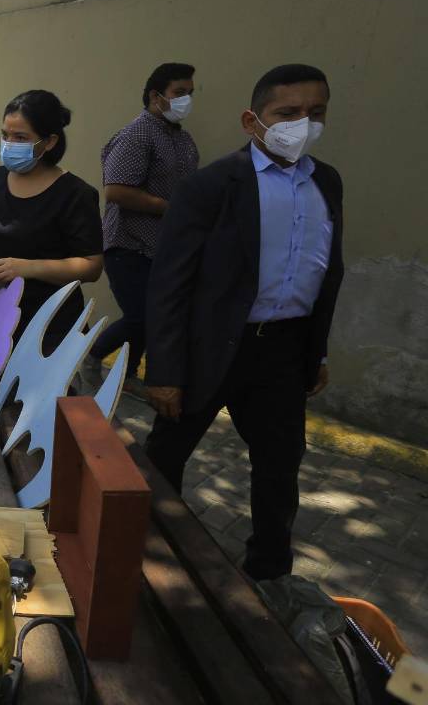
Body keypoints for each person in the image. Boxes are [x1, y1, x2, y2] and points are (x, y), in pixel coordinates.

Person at [143, 64, 343, 582]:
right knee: (163, 460)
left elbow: (325, 268)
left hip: (282, 352)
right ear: (253, 120)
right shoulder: (212, 186)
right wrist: (164, 369)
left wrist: (315, 351)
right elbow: (170, 283)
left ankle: (269, 572)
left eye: (315, 113)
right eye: (288, 113)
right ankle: (147, 558)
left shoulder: (326, 183)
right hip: (208, 348)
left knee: (279, 468)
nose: (303, 124)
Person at [82, 63, 199, 397]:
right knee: (143, 314)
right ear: (155, 96)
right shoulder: (139, 133)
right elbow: (116, 190)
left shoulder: (182, 139)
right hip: (128, 245)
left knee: (155, 315)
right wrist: (170, 208)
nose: (186, 100)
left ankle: (127, 373)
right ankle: (91, 357)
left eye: (190, 93)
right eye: (179, 93)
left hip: (163, 247)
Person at [0, 90, 103, 348]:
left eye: (20, 137)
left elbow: (91, 266)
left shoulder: (75, 194)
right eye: (5, 135)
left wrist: (28, 268)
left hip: (47, 328)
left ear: (50, 142)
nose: (9, 144)